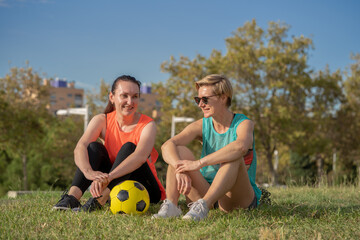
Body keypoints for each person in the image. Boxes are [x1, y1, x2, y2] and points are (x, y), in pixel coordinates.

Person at [152, 74, 261, 221]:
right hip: (204, 191)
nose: (200, 104)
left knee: (233, 157)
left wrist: (198, 163)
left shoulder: (243, 123)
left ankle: (203, 206)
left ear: (223, 97)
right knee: (178, 151)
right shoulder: (202, 124)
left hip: (235, 197)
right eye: (198, 99)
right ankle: (172, 206)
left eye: (205, 99)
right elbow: (167, 145)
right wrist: (179, 169)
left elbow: (240, 147)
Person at [53, 75, 166, 212]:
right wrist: (89, 172)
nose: (130, 102)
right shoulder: (101, 120)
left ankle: (98, 201)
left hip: (145, 188)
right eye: (124, 96)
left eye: (135, 96)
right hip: (113, 186)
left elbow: (140, 157)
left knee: (129, 148)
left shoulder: (148, 124)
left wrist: (109, 177)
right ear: (112, 97)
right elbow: (80, 147)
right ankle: (71, 198)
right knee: (93, 147)